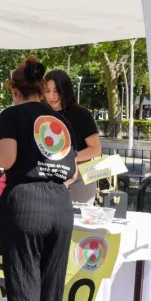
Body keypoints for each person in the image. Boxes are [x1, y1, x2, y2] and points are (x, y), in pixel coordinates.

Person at [0, 56, 77, 301]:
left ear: (14, 89)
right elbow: (72, 171)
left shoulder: (11, 115)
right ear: (41, 88)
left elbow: (8, 158)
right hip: (60, 203)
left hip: (24, 200)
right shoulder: (59, 120)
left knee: (24, 282)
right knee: (50, 285)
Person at [44, 70, 102, 205]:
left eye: (56, 91)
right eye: (47, 91)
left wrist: (67, 158)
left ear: (66, 91)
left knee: (76, 222)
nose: (52, 96)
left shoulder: (81, 114)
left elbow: (95, 149)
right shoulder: (42, 114)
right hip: (50, 177)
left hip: (79, 179)